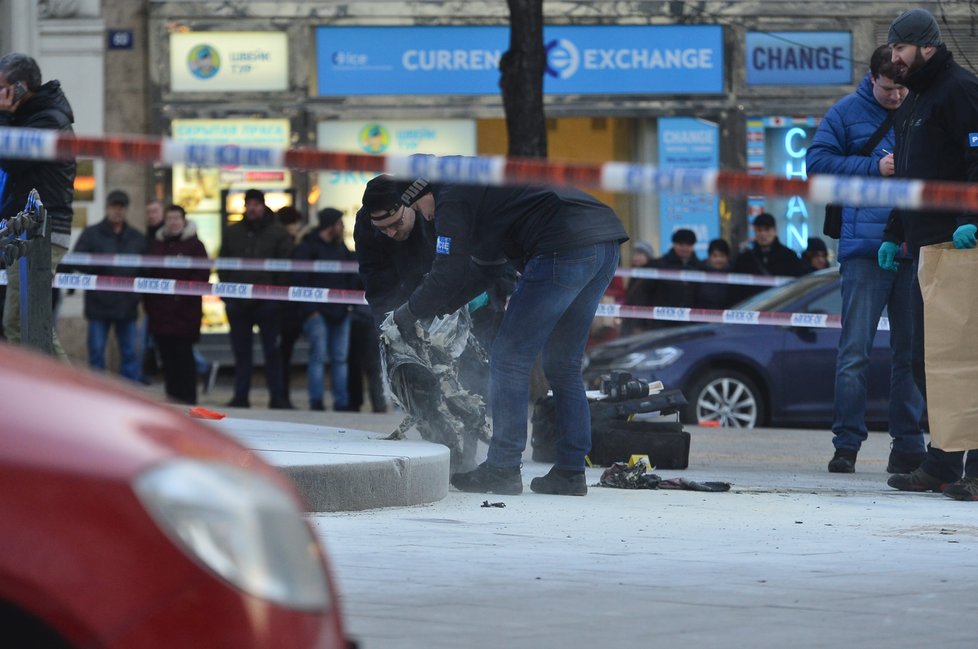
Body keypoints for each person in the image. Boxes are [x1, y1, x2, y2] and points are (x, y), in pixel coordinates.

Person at [382, 182, 628, 497]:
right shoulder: (482, 192)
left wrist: (409, 312)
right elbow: (486, 270)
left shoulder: (450, 196)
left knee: (510, 357)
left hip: (560, 245)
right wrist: (442, 308)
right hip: (604, 240)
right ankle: (570, 470)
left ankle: (503, 467)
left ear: (421, 195)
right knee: (562, 363)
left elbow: (449, 269)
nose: (425, 217)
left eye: (418, 209)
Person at [807, 42, 926, 475]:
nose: (896, 96)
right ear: (872, 78)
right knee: (854, 351)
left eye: (901, 89)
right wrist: (873, 168)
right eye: (888, 88)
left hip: (914, 247)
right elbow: (816, 164)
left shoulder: (921, 106)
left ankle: (909, 444)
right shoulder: (844, 113)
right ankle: (846, 445)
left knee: (911, 354)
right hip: (863, 250)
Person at [878, 8, 978, 500]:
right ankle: (941, 462)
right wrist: (893, 231)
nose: (892, 56)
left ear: (927, 47)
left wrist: (972, 219)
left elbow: (977, 157)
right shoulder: (913, 100)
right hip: (923, 247)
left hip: (961, 247)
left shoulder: (960, 90)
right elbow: (908, 178)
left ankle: (975, 468)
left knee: (968, 357)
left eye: (899, 47)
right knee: (928, 359)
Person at [0, 52, 75, 358]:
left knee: (27, 324)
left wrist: (4, 114)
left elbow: (10, 158)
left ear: (20, 87)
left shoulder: (49, 120)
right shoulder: (30, 117)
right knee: (22, 324)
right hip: (23, 230)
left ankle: (71, 400)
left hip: (40, 233)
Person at [218, 188, 294, 409]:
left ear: (263, 206)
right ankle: (240, 397)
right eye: (248, 204)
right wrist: (228, 297)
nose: (252, 208)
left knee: (273, 352)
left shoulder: (278, 233)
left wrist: (276, 297)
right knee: (242, 353)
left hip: (268, 303)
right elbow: (223, 265)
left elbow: (285, 268)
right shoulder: (232, 232)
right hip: (238, 302)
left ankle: (277, 398)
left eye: (255, 204)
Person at [71, 190, 146, 381]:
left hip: (127, 305)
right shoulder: (91, 234)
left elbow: (146, 270)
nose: (117, 211)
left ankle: (130, 395)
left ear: (126, 210)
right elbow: (77, 260)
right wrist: (100, 266)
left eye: (121, 207)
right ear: (107, 208)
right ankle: (97, 398)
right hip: (98, 305)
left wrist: (136, 295)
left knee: (130, 354)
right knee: (96, 354)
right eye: (114, 207)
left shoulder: (136, 237)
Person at [143, 204, 209, 404]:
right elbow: (148, 275)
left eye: (176, 218)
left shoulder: (195, 246)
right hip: (161, 316)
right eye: (170, 218)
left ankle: (189, 402)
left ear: (184, 220)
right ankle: (173, 403)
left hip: (184, 315)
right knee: (168, 364)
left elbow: (202, 276)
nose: (173, 222)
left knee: (185, 361)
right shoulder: (157, 245)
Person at [293, 207, 355, 411]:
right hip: (317, 313)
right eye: (339, 223)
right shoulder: (307, 248)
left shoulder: (341, 248)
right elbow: (299, 280)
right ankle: (316, 401)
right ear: (330, 225)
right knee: (318, 357)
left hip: (341, 312)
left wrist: (348, 304)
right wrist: (311, 310)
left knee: (339, 359)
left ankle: (342, 402)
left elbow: (351, 277)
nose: (343, 227)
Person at [732, 212, 807, 299]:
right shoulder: (745, 259)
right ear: (755, 232)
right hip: (752, 307)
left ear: (775, 231)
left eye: (767, 229)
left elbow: (798, 286)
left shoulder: (789, 257)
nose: (763, 234)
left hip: (782, 306)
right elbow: (735, 290)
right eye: (759, 230)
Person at [275, 205, 306, 408]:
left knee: (282, 355)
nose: (296, 228)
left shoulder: (293, 243)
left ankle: (281, 395)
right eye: (294, 224)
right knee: (282, 355)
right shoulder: (288, 245)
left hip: (286, 309)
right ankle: (281, 395)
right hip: (285, 310)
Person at [140, 199, 166, 381]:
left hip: (165, 298)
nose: (151, 215)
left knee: (161, 339)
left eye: (155, 211)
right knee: (151, 339)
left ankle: (203, 365)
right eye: (148, 212)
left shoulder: (165, 236)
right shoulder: (145, 236)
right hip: (149, 297)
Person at [620, 239, 657, 335]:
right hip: (631, 322)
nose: (636, 257)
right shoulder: (634, 273)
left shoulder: (653, 275)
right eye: (635, 254)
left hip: (643, 325)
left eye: (640, 254)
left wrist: (642, 325)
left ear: (648, 256)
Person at [695, 238, 737, 310]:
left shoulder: (734, 273)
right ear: (709, 256)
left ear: (727, 257)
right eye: (715, 256)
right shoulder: (699, 272)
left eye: (722, 256)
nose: (719, 259)